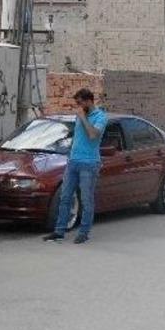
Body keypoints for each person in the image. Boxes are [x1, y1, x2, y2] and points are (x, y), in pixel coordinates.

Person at [43, 88, 108, 244]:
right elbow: (77, 137)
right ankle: (59, 231)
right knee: (65, 197)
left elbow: (93, 135)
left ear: (88, 101)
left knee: (86, 199)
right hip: (73, 161)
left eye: (80, 103)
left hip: (89, 162)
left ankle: (84, 232)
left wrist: (83, 118)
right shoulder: (80, 116)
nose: (78, 106)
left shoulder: (100, 117)